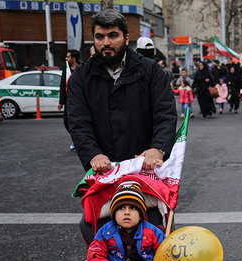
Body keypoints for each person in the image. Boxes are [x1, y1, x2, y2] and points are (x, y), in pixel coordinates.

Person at [67, 9, 176, 240]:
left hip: (145, 171)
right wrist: (92, 155)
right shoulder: (81, 76)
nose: (106, 42)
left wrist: (158, 148)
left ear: (126, 39)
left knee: (156, 232)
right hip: (104, 172)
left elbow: (165, 115)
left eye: (113, 35)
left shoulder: (151, 71)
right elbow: (77, 122)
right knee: (95, 229)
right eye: (99, 37)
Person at [59, 49, 80, 150]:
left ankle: (79, 141)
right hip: (68, 100)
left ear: (73, 58)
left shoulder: (81, 68)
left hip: (80, 100)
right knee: (67, 122)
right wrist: (61, 102)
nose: (66, 59)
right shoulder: (66, 69)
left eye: (68, 57)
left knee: (80, 121)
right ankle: (76, 139)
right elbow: (63, 85)